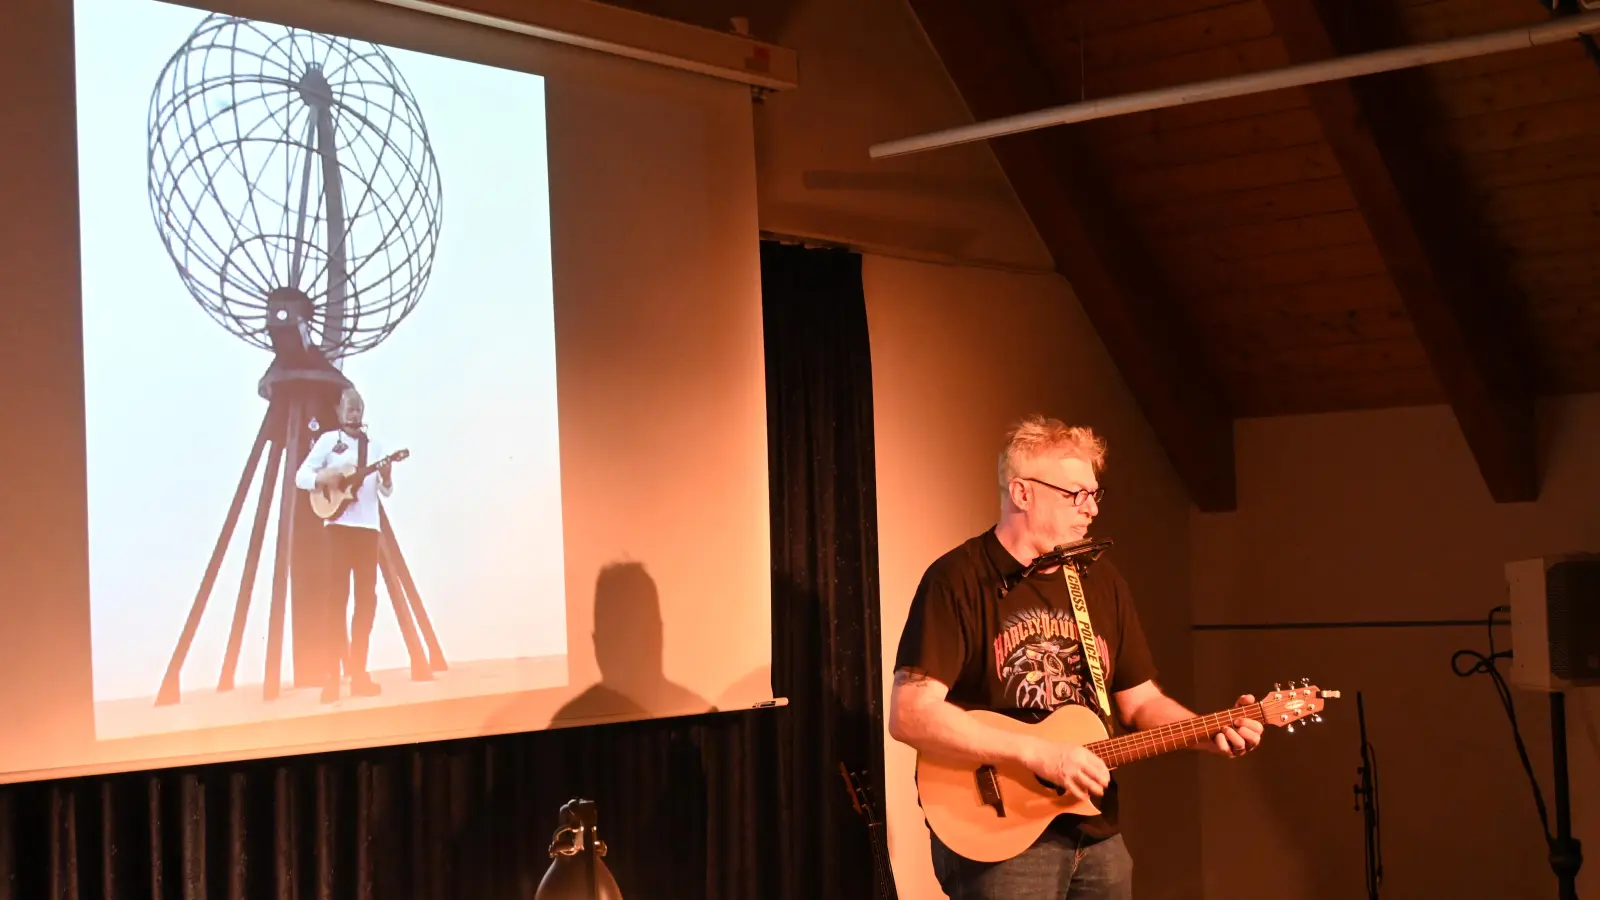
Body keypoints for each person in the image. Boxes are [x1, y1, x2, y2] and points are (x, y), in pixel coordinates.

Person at [888, 415, 1264, 899]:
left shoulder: (1100, 582)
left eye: (1093, 494)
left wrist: (1206, 731)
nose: (1090, 510)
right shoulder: (956, 579)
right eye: (1074, 495)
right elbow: (910, 715)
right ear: (1022, 493)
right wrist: (1039, 752)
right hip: (1001, 835)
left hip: (1097, 829)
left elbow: (1139, 701)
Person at [295, 386, 394, 702]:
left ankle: (359, 674)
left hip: (367, 529)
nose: (354, 414)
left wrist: (387, 477)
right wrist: (325, 480)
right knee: (336, 602)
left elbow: (386, 491)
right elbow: (302, 476)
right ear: (340, 411)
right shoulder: (328, 442)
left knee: (366, 601)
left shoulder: (374, 447)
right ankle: (332, 679)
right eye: (350, 409)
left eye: (359, 409)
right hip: (338, 528)